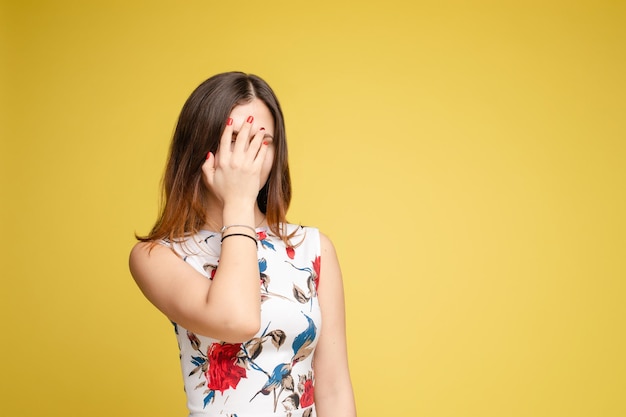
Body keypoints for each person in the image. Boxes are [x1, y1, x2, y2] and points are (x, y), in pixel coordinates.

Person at [129, 72, 356, 417]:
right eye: (235, 138)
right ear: (199, 148)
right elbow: (237, 319)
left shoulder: (314, 249)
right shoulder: (158, 256)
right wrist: (238, 203)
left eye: (263, 141)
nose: (249, 155)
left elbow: (335, 389)